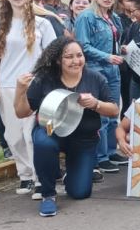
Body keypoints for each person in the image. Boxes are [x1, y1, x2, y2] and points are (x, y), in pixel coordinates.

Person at [15, 38, 118, 217]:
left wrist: (95, 104)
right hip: (51, 132)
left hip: (83, 140)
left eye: (79, 55)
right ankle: (48, 194)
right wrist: (20, 90)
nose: (75, 61)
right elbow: (21, 112)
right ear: (58, 60)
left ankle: (65, 174)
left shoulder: (95, 78)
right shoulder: (45, 79)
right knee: (43, 143)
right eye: (68, 57)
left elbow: (114, 109)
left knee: (80, 193)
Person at [0, 0, 57, 198]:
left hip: (35, 85)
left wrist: (46, 82)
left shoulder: (42, 22)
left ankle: (39, 178)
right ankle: (24, 174)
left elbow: (51, 55)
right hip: (7, 85)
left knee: (31, 134)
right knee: (13, 135)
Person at [74, 0, 125, 173]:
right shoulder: (86, 17)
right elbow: (83, 46)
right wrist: (107, 56)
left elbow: (114, 41)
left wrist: (122, 50)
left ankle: (112, 151)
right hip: (96, 69)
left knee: (114, 111)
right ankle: (100, 156)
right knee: (100, 115)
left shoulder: (114, 17)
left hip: (113, 69)